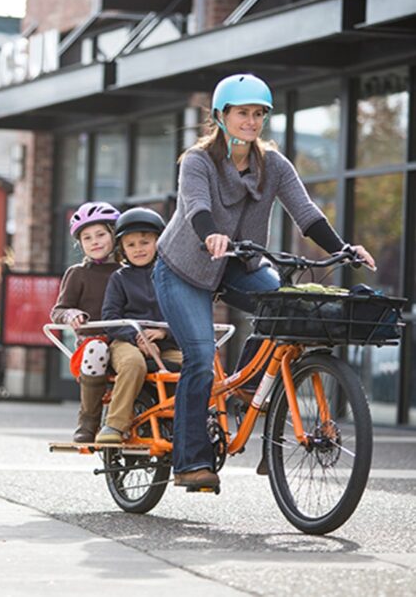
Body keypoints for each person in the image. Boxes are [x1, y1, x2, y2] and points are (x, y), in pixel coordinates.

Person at [152, 73, 375, 491]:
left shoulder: (273, 165)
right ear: (221, 116)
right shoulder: (198, 161)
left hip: (240, 263)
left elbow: (306, 214)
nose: (251, 122)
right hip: (184, 268)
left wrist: (344, 247)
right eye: (242, 113)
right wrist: (210, 234)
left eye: (258, 114)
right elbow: (197, 206)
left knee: (289, 308)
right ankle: (190, 462)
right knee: (199, 357)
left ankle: (251, 388)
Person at [96, 207, 183, 444]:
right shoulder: (120, 279)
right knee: (133, 364)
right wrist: (137, 336)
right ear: (121, 248)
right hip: (126, 341)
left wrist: (164, 331)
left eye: (145, 242)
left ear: (159, 242)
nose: (138, 249)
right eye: (131, 244)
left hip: (165, 342)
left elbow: (184, 314)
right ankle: (114, 425)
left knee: (196, 365)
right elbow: (110, 317)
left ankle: (189, 423)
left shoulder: (173, 276)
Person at [51, 201, 121, 443]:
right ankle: (88, 420)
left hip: (126, 338)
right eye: (87, 237)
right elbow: (58, 310)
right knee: (96, 349)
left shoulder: (128, 272)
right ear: (79, 244)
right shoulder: (78, 274)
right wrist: (71, 314)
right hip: (95, 341)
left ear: (114, 235)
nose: (95, 241)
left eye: (101, 234)